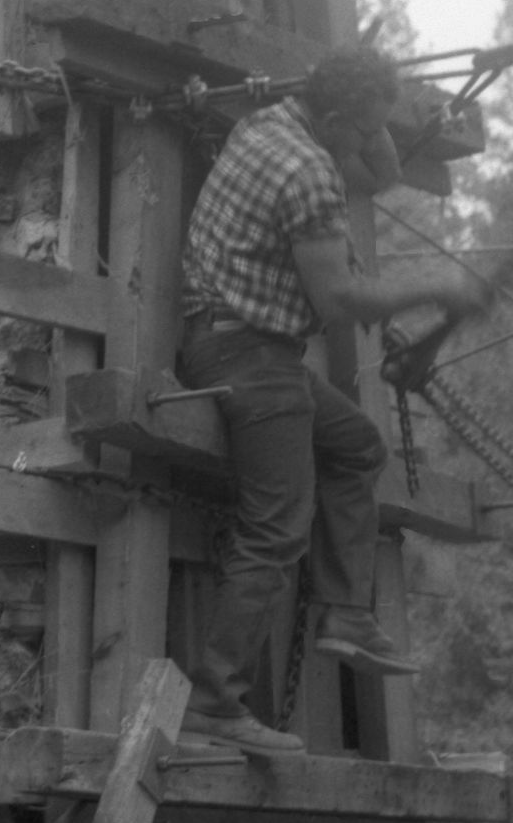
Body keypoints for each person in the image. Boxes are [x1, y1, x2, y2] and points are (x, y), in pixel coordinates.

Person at [176, 46, 484, 756]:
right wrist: (436, 285)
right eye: (364, 125)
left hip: (240, 342)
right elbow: (340, 299)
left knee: (356, 447)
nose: (373, 142)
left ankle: (344, 615)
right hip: (246, 353)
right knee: (275, 527)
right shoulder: (307, 170)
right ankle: (213, 702)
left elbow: (378, 173)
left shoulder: (273, 123)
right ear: (336, 116)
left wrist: (371, 121)